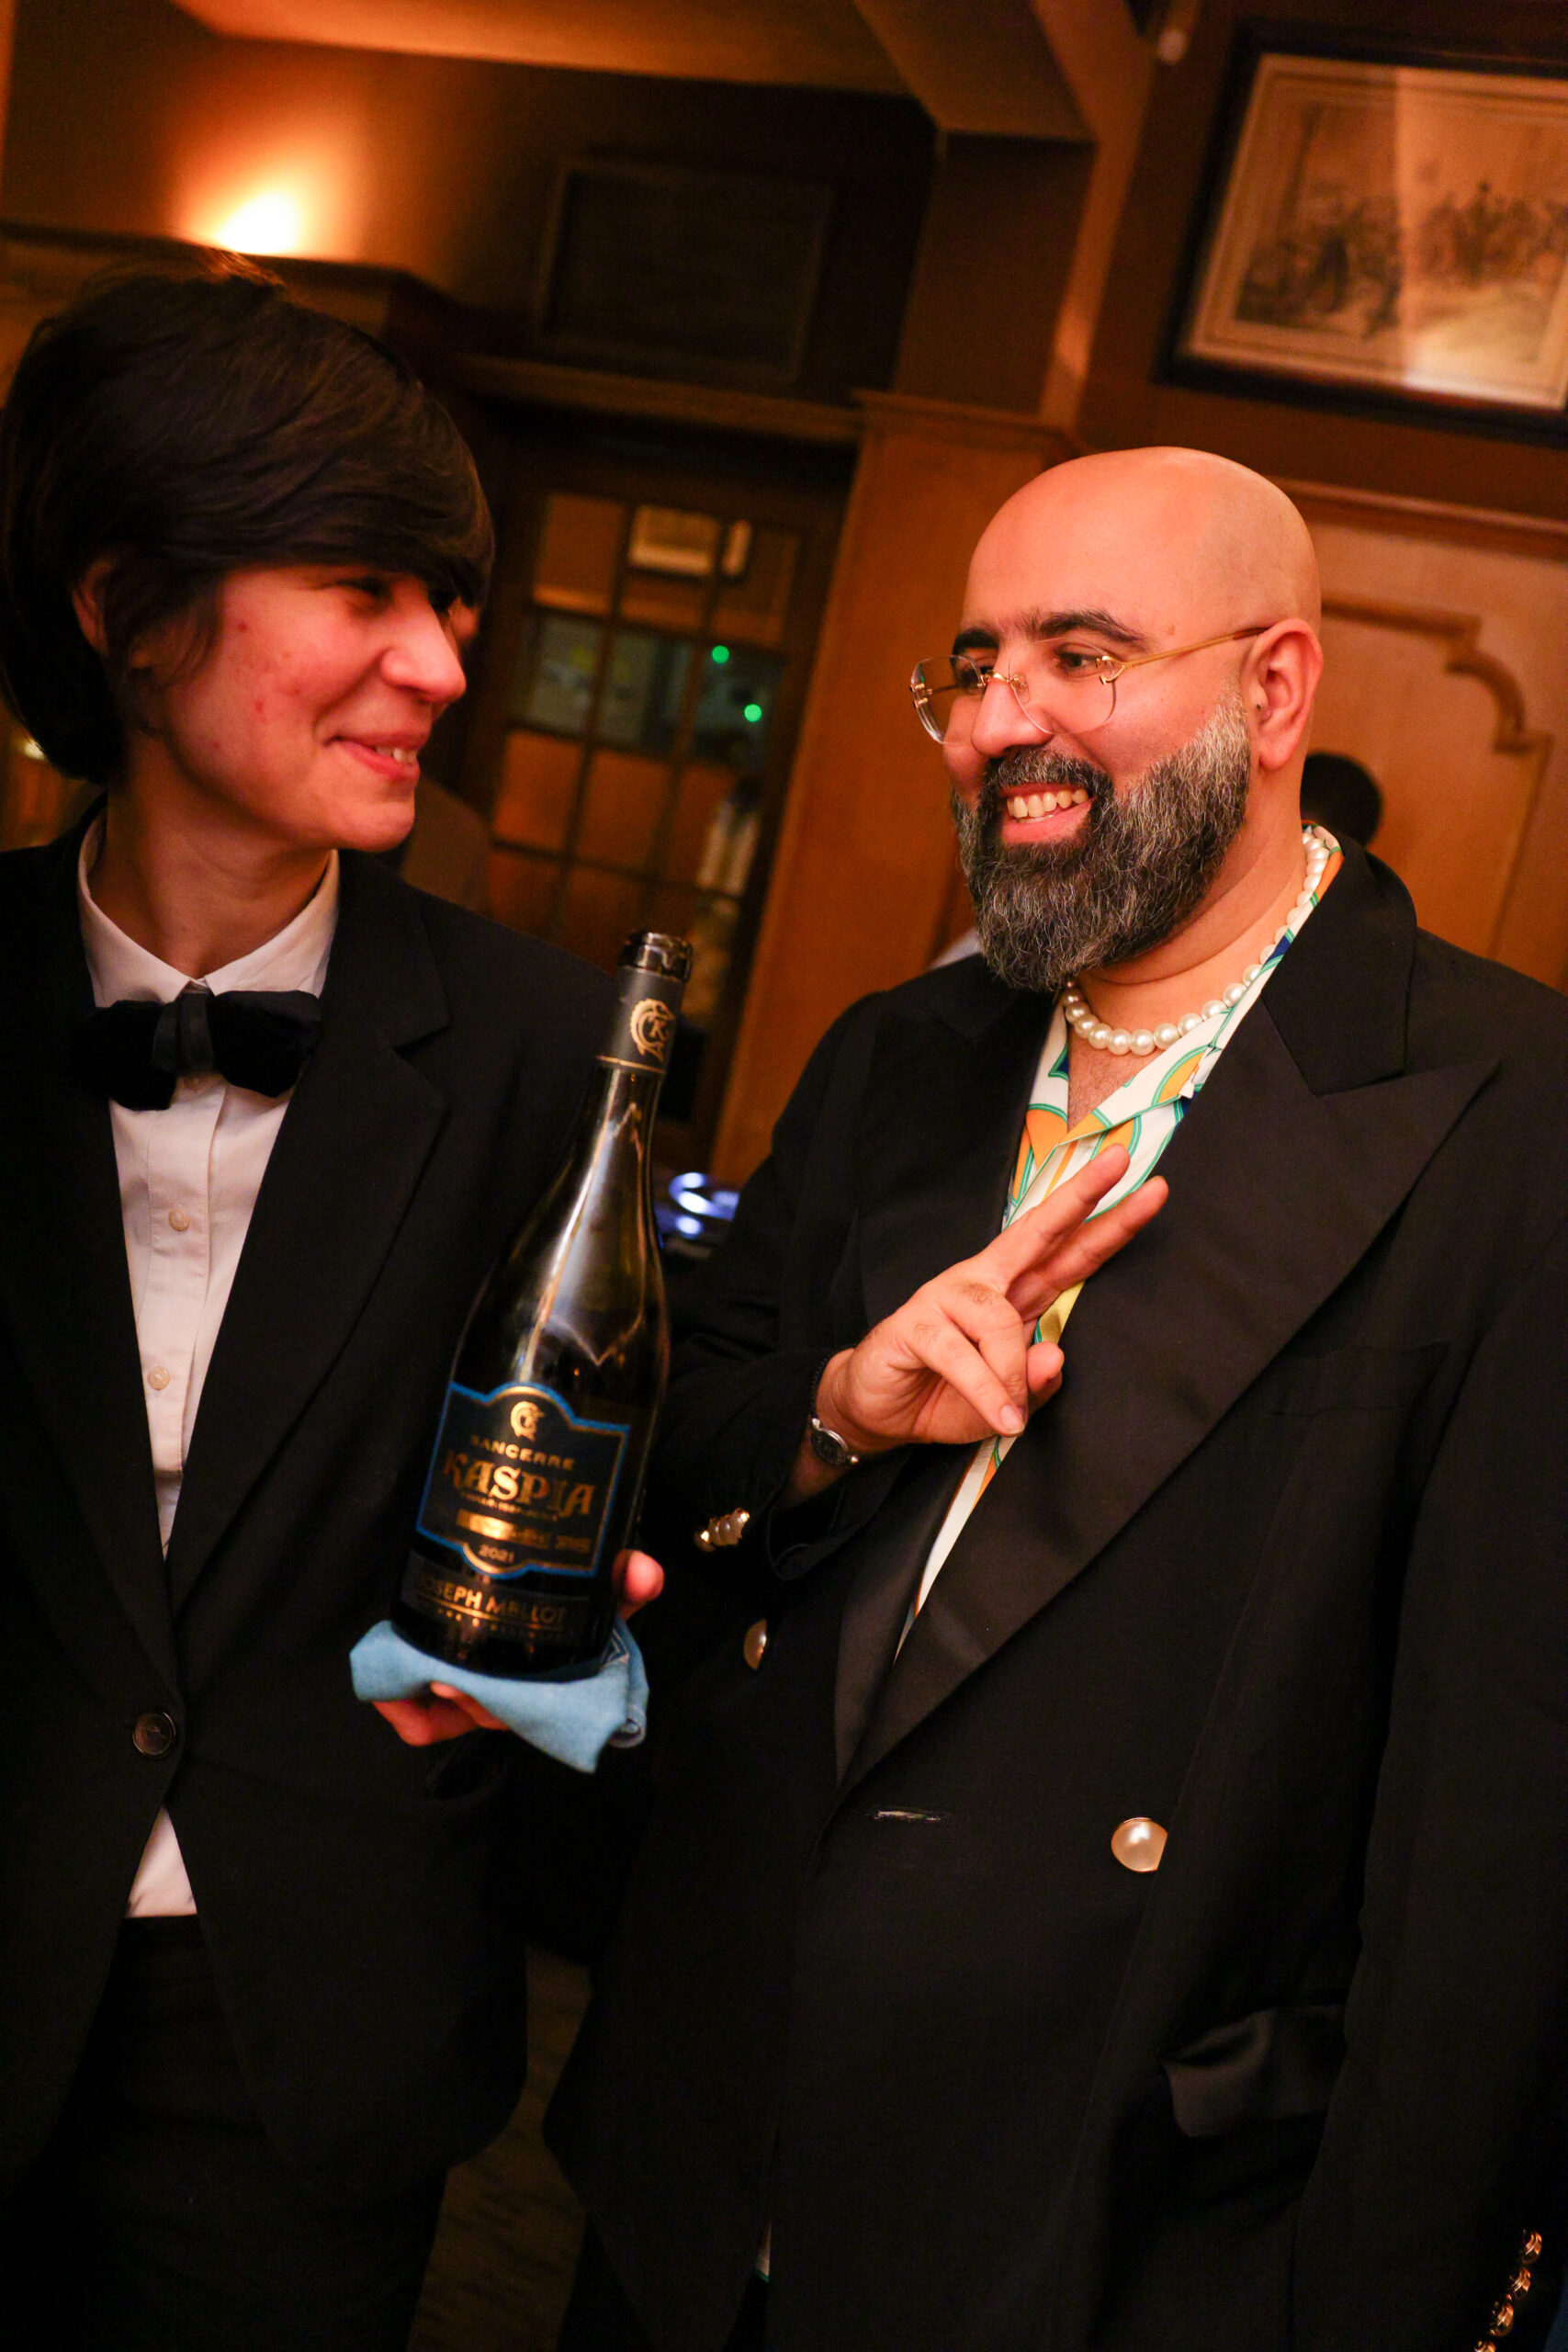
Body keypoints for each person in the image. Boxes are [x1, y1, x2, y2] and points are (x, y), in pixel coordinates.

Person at [547, 447, 1568, 2352]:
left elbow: (1495, 1846)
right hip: (705, 2162)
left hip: (1114, 2228)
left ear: (1274, 689)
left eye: (1079, 657)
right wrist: (838, 1411)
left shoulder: (1513, 1120)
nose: (999, 721)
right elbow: (684, 1458)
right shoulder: (896, 1054)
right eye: (973, 666)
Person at [0, 263, 665, 2350]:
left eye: (449, 601)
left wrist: (817, 1421)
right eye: (365, 587)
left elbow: (647, 1459)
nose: (441, 664)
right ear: (126, 607)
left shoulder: (550, 1045)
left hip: (301, 2028)